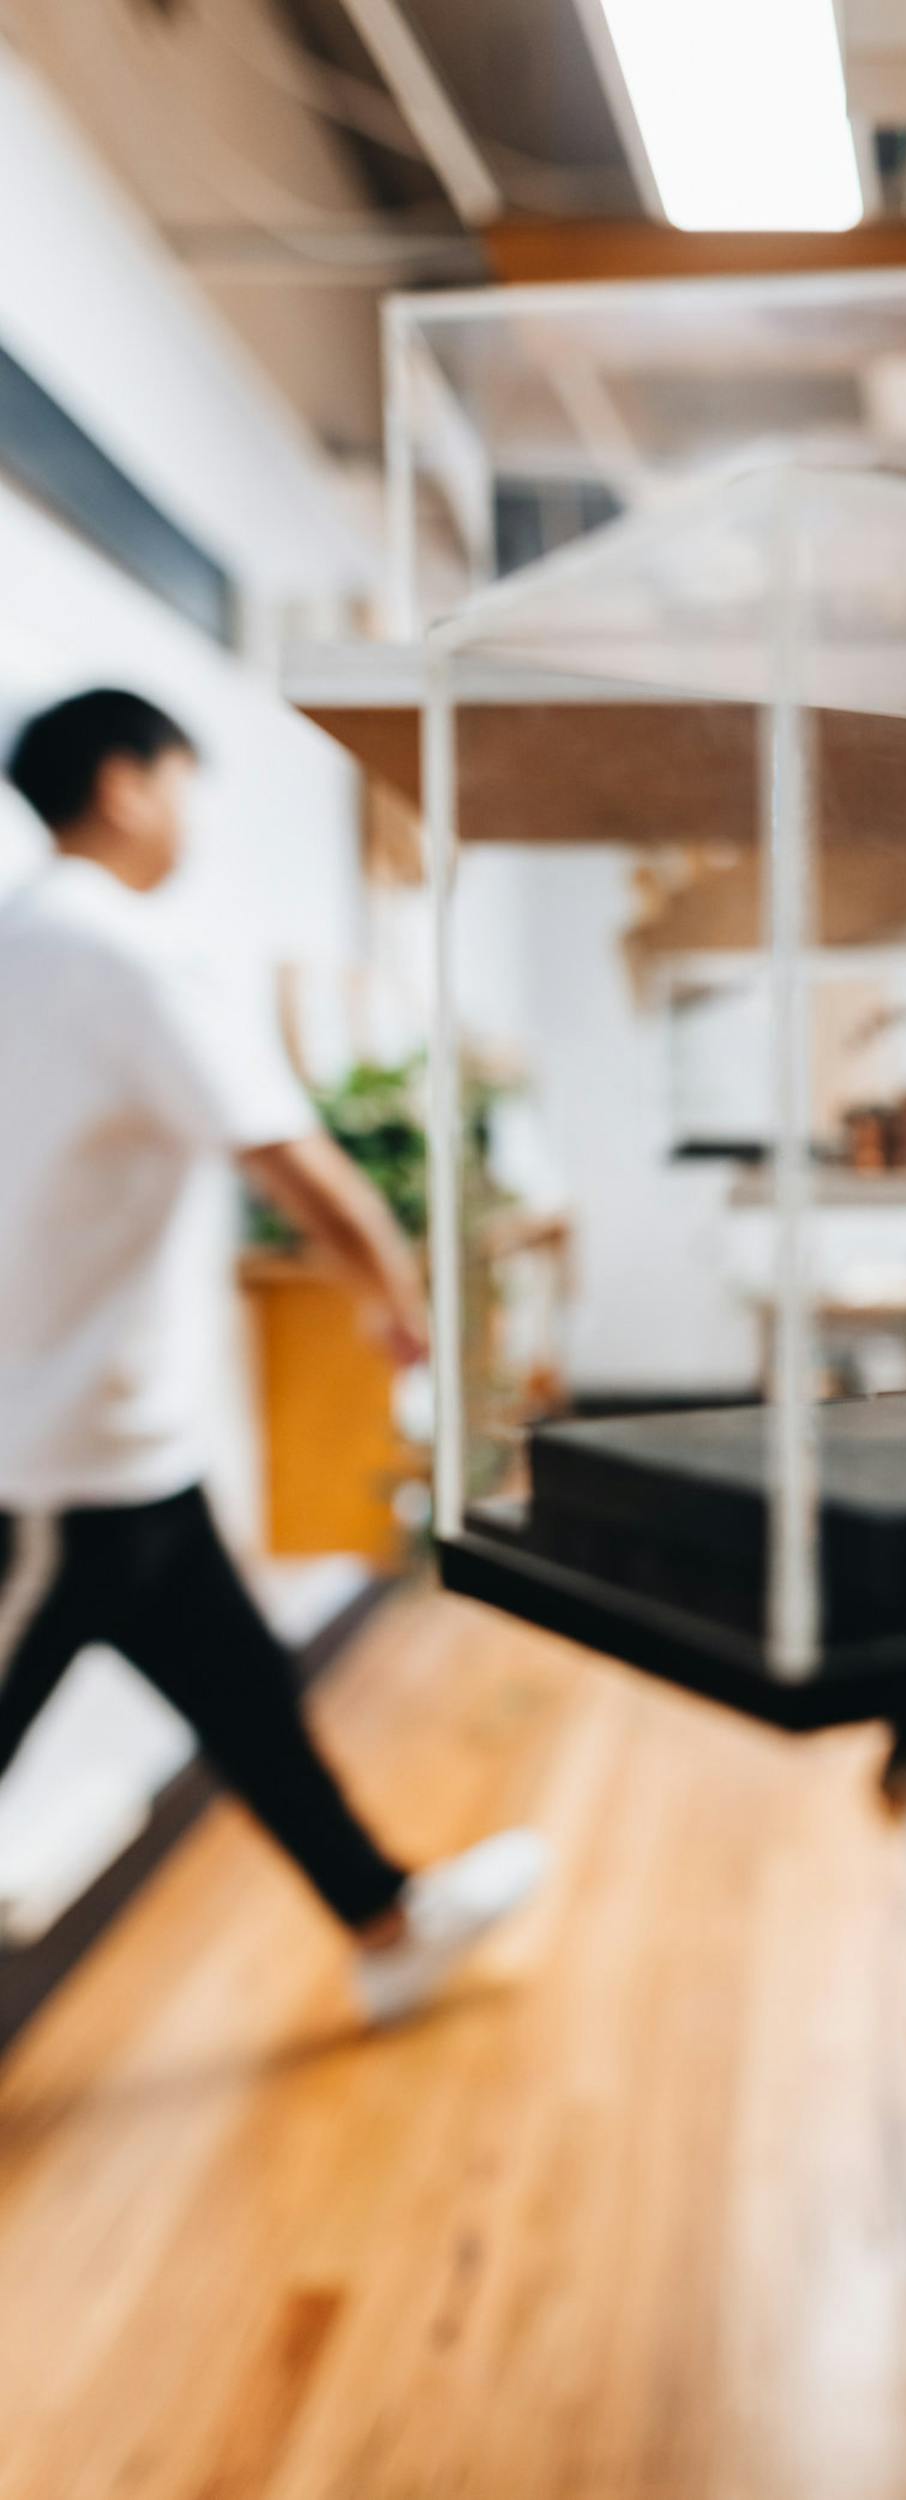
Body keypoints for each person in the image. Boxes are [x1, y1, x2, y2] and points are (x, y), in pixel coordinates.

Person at [0, 688, 544, 2025]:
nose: (191, 817)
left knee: (248, 1703)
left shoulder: (21, 945)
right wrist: (397, 1292)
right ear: (125, 786)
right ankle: (385, 1917)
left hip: (115, 1452)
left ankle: (385, 1919)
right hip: (49, 1468)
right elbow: (294, 1158)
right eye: (186, 783)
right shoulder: (124, 953)